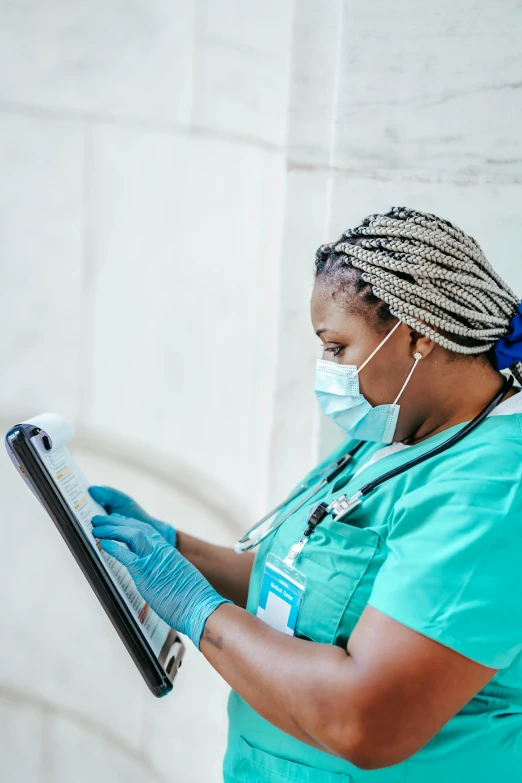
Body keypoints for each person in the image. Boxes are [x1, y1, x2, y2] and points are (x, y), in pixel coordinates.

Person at [89, 207, 522, 782]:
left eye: (337, 347)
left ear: (418, 337)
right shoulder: (395, 432)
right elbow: (313, 585)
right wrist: (175, 550)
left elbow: (366, 720)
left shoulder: (492, 493)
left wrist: (199, 612)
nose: (327, 370)